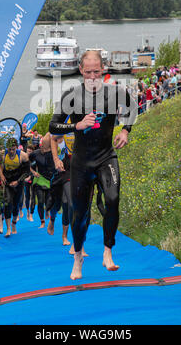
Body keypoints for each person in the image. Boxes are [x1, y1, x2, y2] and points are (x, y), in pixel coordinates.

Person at [49, 50, 136, 280]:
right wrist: (76, 126)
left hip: (106, 156)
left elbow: (132, 108)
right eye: (88, 72)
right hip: (81, 163)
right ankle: (78, 258)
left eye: (96, 71)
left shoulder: (115, 93)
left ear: (103, 69)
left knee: (113, 200)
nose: (92, 76)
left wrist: (126, 130)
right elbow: (53, 127)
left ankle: (108, 252)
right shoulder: (71, 96)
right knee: (80, 215)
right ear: (81, 71)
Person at [0, 138, 30, 237]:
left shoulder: (23, 156)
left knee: (16, 205)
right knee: (7, 203)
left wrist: (18, 181)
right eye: (10, 149)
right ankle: (8, 229)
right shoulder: (2, 154)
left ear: (17, 147)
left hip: (19, 181)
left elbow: (27, 172)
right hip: (8, 181)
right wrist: (1, 175)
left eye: (13, 149)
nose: (11, 152)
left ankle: (13, 224)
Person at [28, 133, 55, 229]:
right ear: (40, 146)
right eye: (42, 147)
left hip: (49, 180)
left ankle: (47, 210)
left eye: (45, 147)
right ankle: (42, 222)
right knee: (40, 201)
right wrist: (33, 172)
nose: (43, 149)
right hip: (39, 179)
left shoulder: (52, 153)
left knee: (48, 202)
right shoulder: (35, 153)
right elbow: (27, 163)